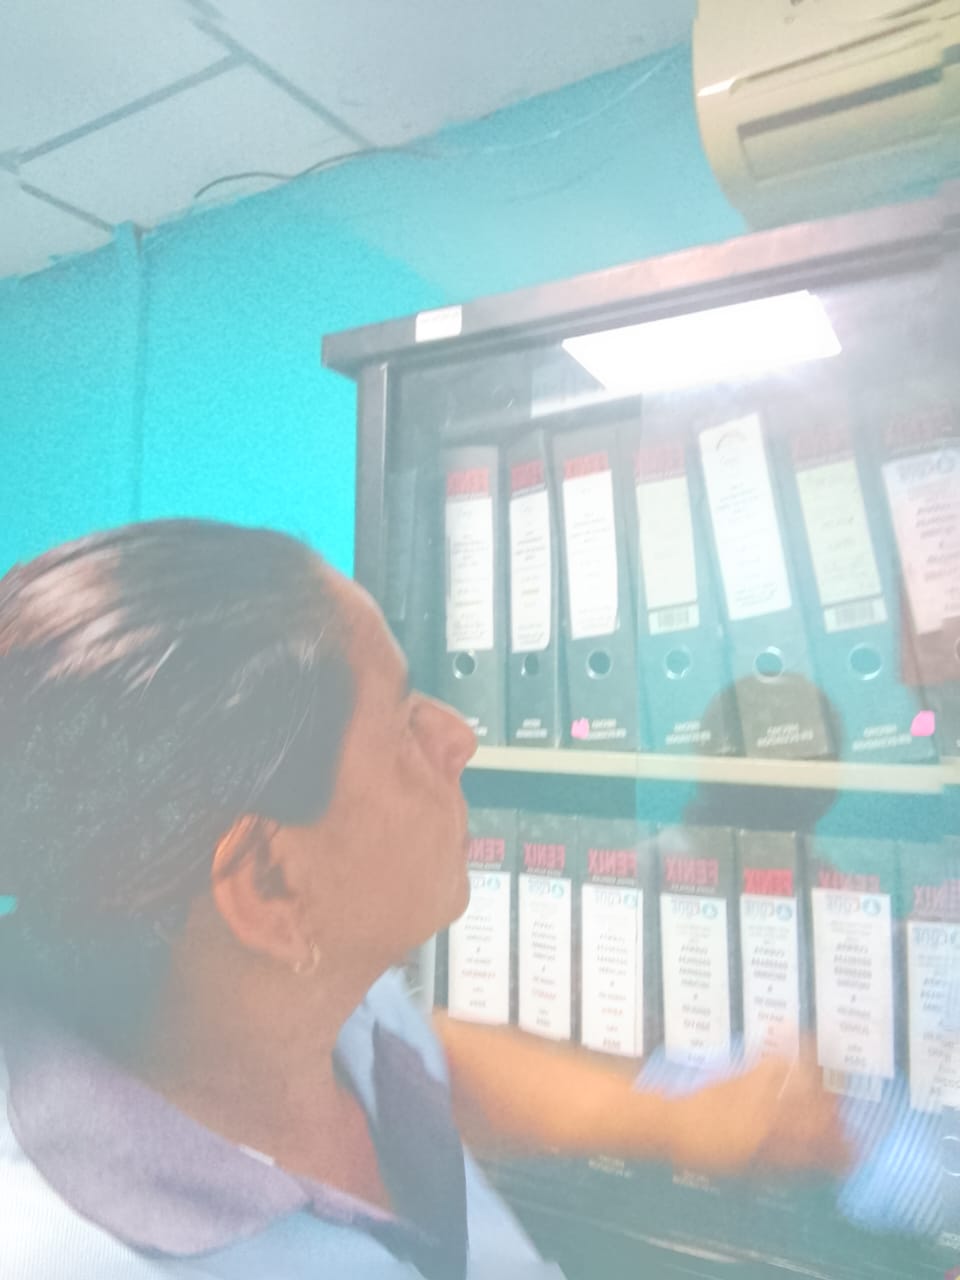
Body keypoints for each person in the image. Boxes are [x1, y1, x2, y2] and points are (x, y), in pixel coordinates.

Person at [0, 520, 848, 1280]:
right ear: (270, 883)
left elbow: (422, 1055)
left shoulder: (272, 1001)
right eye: (403, 722)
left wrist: (673, 1120)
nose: (459, 735)